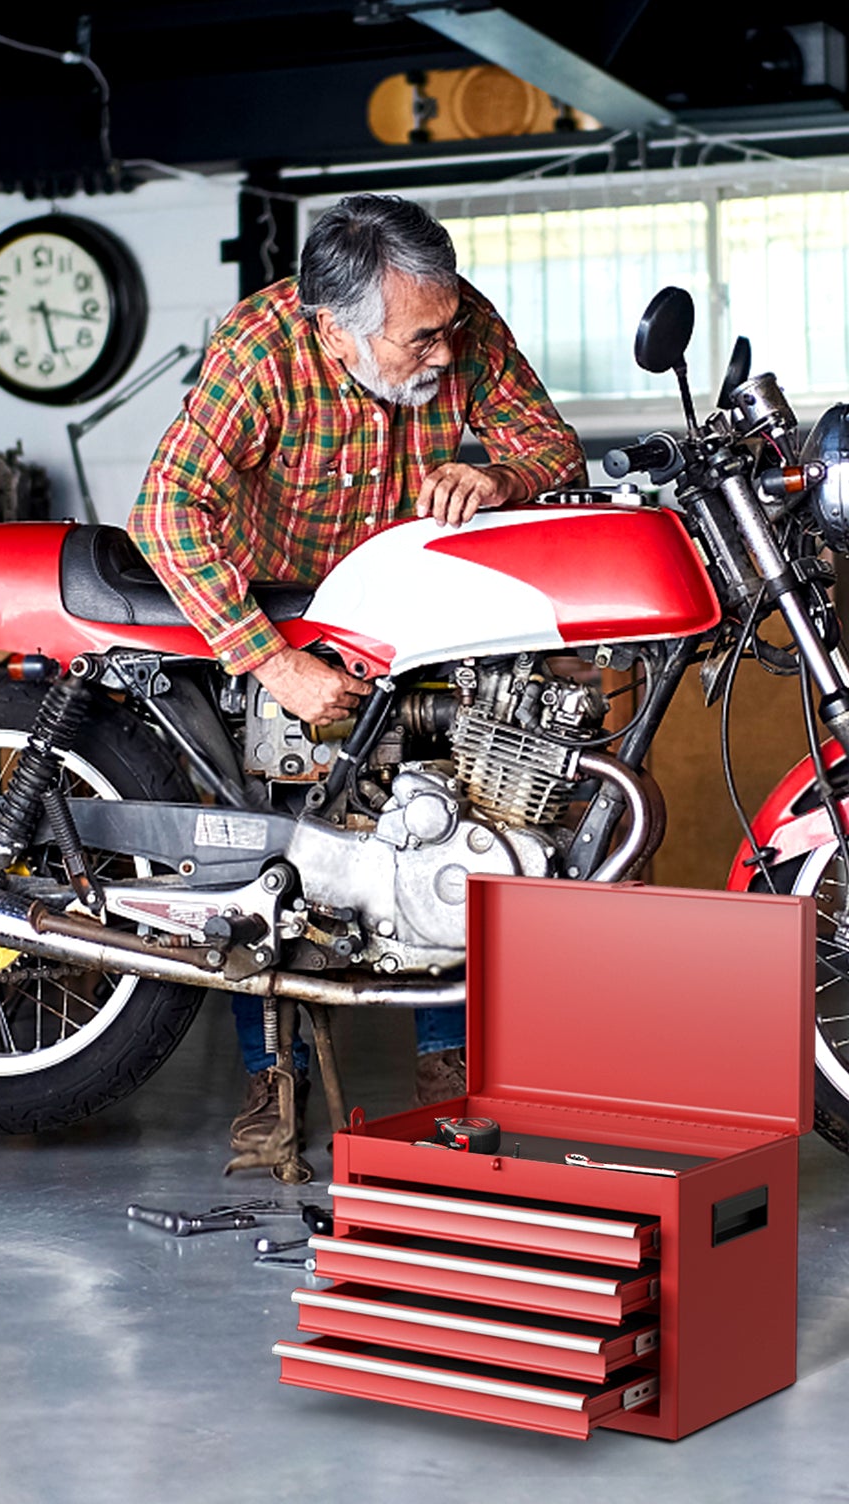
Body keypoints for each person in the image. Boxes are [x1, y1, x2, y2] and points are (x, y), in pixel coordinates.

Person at [127, 192, 584, 1158]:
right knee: (264, 848)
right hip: (282, 616)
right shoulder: (260, 352)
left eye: (448, 329)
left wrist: (500, 480)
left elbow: (550, 443)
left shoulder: (455, 317)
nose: (447, 354)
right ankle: (270, 1082)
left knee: (450, 820)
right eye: (422, 340)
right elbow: (165, 510)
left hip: (416, 623)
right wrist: (270, 661)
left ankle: (449, 1064)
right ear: (338, 331)